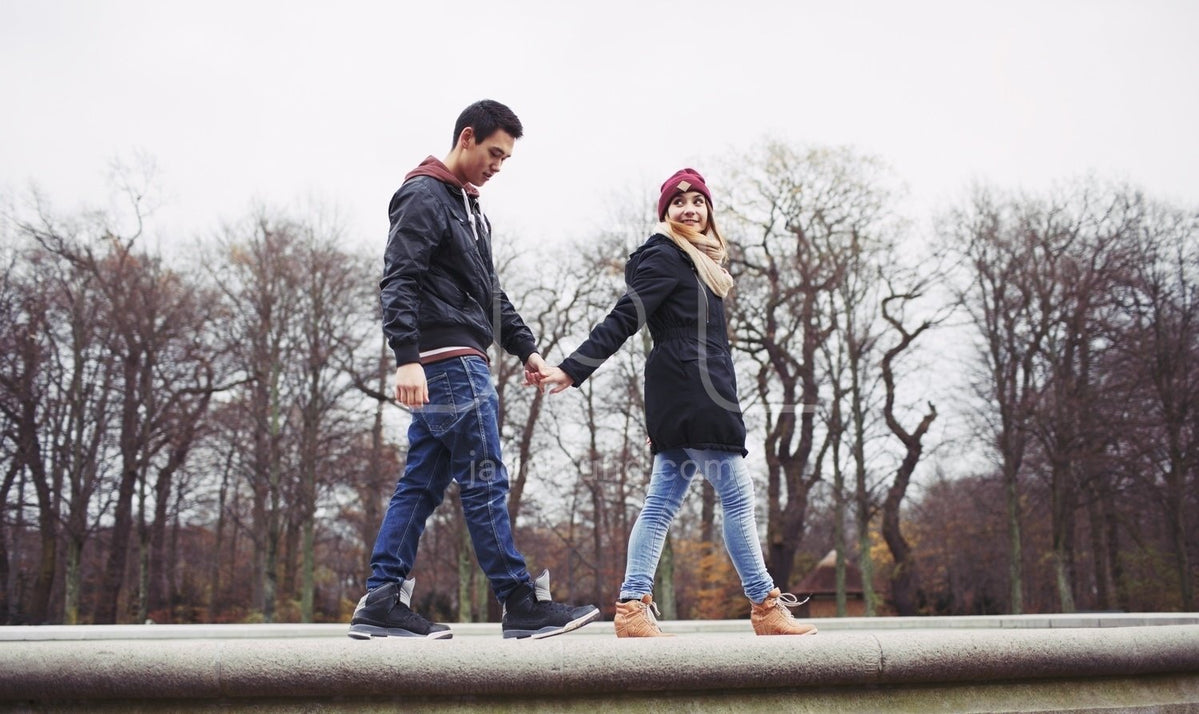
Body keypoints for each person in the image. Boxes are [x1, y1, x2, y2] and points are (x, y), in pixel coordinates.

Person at [349, 99, 599, 640]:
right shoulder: (423, 195)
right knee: (485, 476)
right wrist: (406, 357)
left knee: (420, 484)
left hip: (457, 356)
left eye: (506, 159)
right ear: (466, 137)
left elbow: (487, 293)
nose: (498, 166)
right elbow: (399, 279)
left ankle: (381, 601)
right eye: (493, 153)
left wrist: (527, 348)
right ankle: (518, 601)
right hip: (449, 362)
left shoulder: (467, 207)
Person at [540, 168, 817, 638]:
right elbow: (627, 316)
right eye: (678, 202)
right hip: (697, 390)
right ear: (665, 213)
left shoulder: (696, 262)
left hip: (685, 388)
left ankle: (631, 607)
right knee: (735, 498)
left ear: (709, 210)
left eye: (698, 201)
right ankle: (765, 605)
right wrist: (574, 367)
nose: (690, 209)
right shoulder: (666, 257)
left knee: (662, 503)